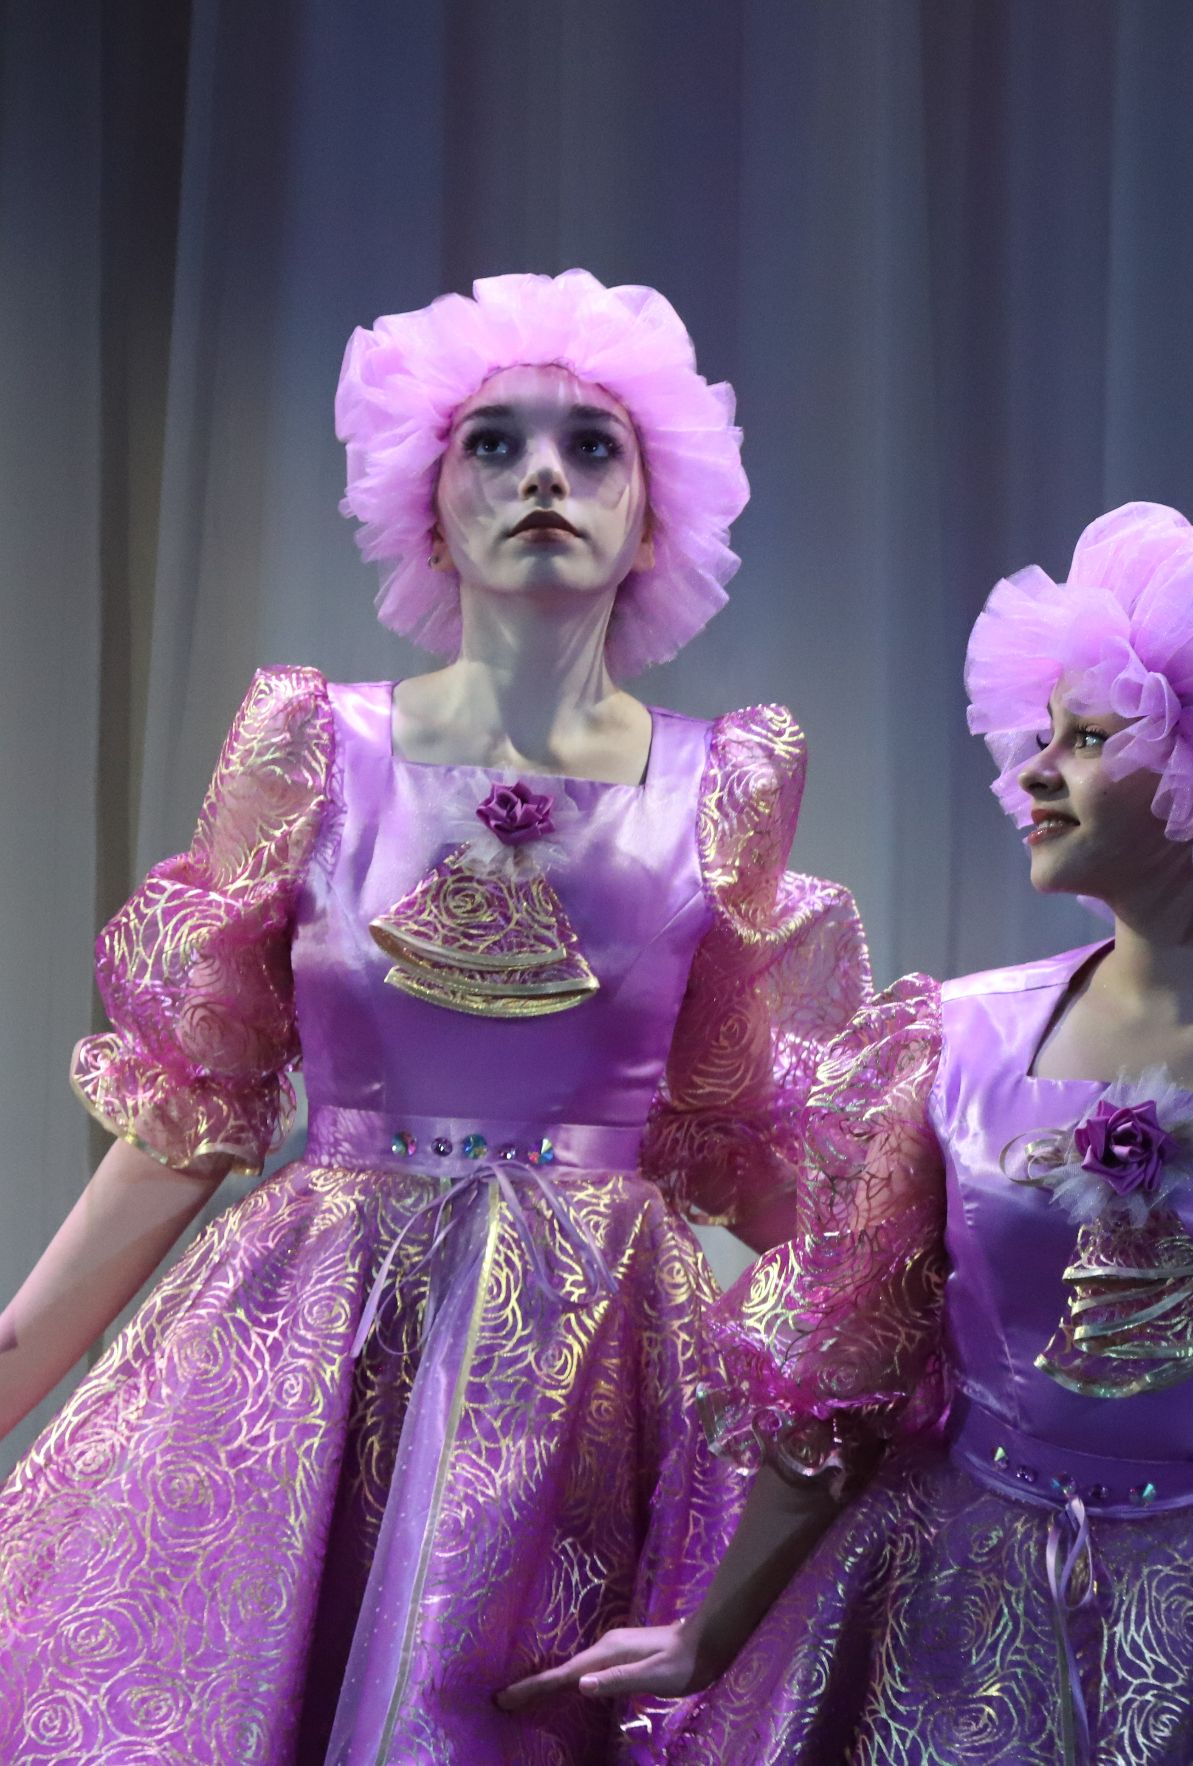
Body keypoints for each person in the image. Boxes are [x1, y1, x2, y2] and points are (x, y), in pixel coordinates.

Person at [503, 497, 1193, 1766]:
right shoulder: (946, 1046)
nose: (1031, 770)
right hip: (948, 1617)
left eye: (1086, 737)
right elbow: (847, 1376)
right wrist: (707, 1633)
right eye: (1043, 732)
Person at [0, 270, 868, 1763]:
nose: (542, 475)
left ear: (652, 515)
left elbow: (750, 1143)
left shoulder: (722, 783)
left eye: (591, 446)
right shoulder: (313, 744)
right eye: (493, 442)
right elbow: (195, 1102)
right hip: (314, 1335)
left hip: (592, 1372)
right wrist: (15, 1353)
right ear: (428, 502)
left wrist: (928, 1362)